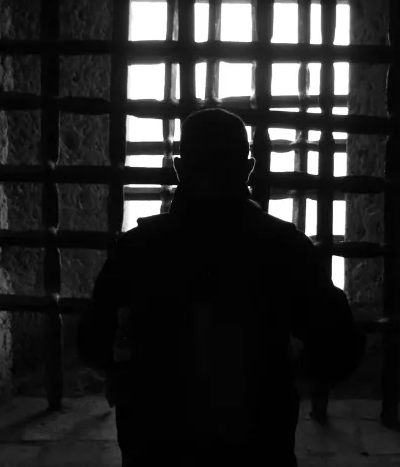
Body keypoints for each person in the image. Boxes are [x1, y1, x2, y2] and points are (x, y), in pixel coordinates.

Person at [77, 108, 363, 467]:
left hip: (158, 445)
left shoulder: (136, 249)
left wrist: (128, 374)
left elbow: (92, 343)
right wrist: (287, 372)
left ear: (179, 168)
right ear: (248, 168)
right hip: (257, 446)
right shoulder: (286, 247)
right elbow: (339, 348)